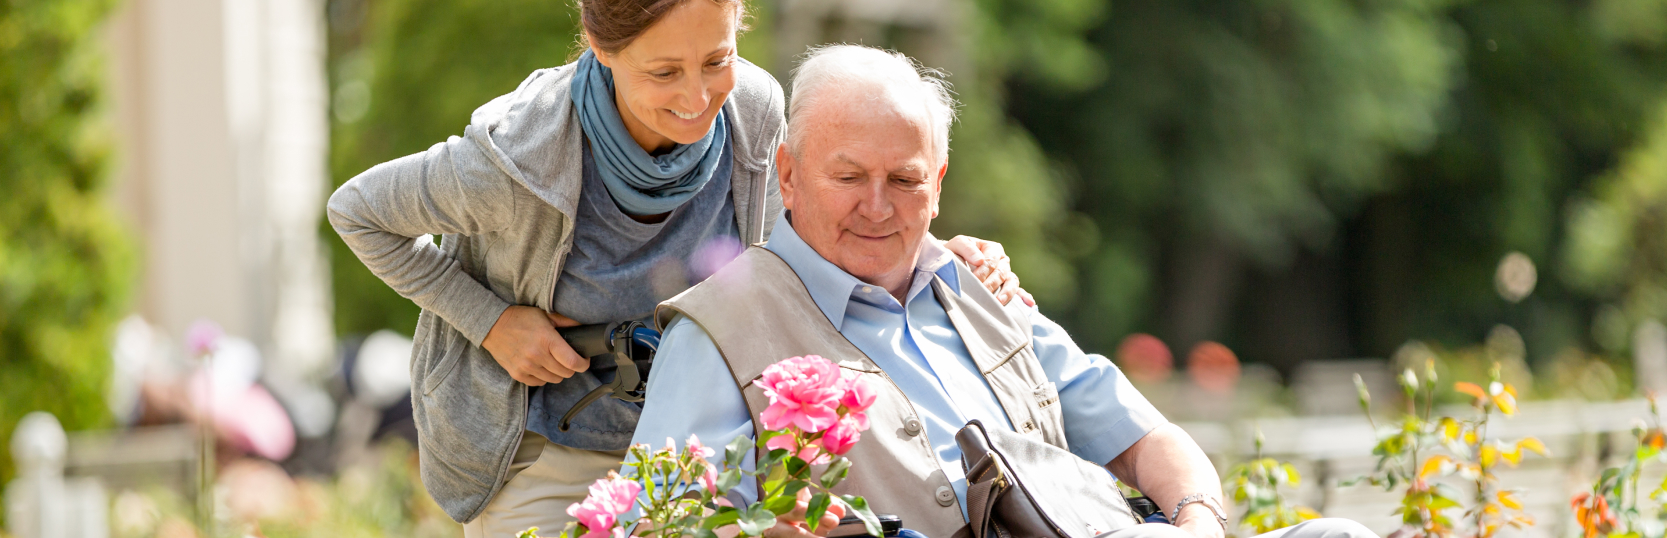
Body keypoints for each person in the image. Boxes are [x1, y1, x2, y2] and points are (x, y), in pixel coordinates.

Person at [326, 0, 1031, 533]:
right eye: (664, 71)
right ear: (601, 48)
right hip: (548, 450)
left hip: (704, 441)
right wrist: (492, 322)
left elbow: (812, 232)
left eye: (716, 61)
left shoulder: (754, 110)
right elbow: (356, 211)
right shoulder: (515, 157)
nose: (697, 97)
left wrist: (940, 256)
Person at [632, 44, 1379, 538]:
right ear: (788, 174)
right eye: (849, 177)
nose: (878, 206)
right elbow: (660, 519)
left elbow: (1150, 439)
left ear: (939, 185)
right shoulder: (721, 327)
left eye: (905, 180)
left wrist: (1196, 521)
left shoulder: (976, 287)